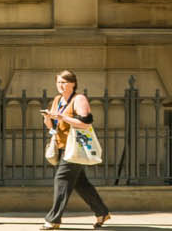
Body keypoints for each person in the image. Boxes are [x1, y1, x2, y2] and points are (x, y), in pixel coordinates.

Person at [40, 69, 111, 228]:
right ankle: (102, 212)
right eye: (58, 82)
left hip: (75, 147)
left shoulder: (79, 99)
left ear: (73, 84)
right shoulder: (57, 100)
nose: (61, 85)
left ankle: (53, 219)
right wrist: (48, 120)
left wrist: (63, 117)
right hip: (62, 146)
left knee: (61, 179)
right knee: (81, 183)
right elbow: (54, 127)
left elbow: (86, 123)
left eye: (64, 82)